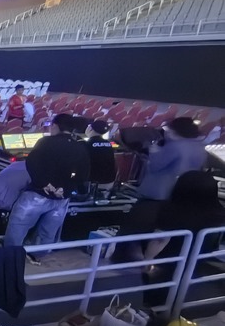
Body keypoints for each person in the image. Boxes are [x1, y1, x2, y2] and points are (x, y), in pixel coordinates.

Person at [114, 116, 208, 261]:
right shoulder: (200, 148)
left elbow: (155, 165)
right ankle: (149, 260)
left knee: (134, 229)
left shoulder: (174, 146)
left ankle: (124, 259)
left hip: (156, 195)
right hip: (178, 195)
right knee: (161, 232)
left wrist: (154, 150)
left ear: (176, 131)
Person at [3, 114, 90, 261]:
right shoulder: (79, 147)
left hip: (38, 195)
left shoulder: (46, 142)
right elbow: (83, 174)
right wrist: (66, 188)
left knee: (18, 226)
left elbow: (32, 163)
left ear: (55, 126)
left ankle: (11, 258)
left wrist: (45, 184)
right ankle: (38, 257)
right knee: (48, 232)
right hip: (62, 198)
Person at [142, 171, 225, 306]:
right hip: (197, 264)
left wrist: (147, 259)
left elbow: (159, 240)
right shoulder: (219, 214)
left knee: (156, 299)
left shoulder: (169, 210)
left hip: (166, 263)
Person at [84, 119, 117, 194]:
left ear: (90, 129)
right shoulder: (109, 144)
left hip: (93, 183)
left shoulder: (86, 144)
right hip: (109, 181)